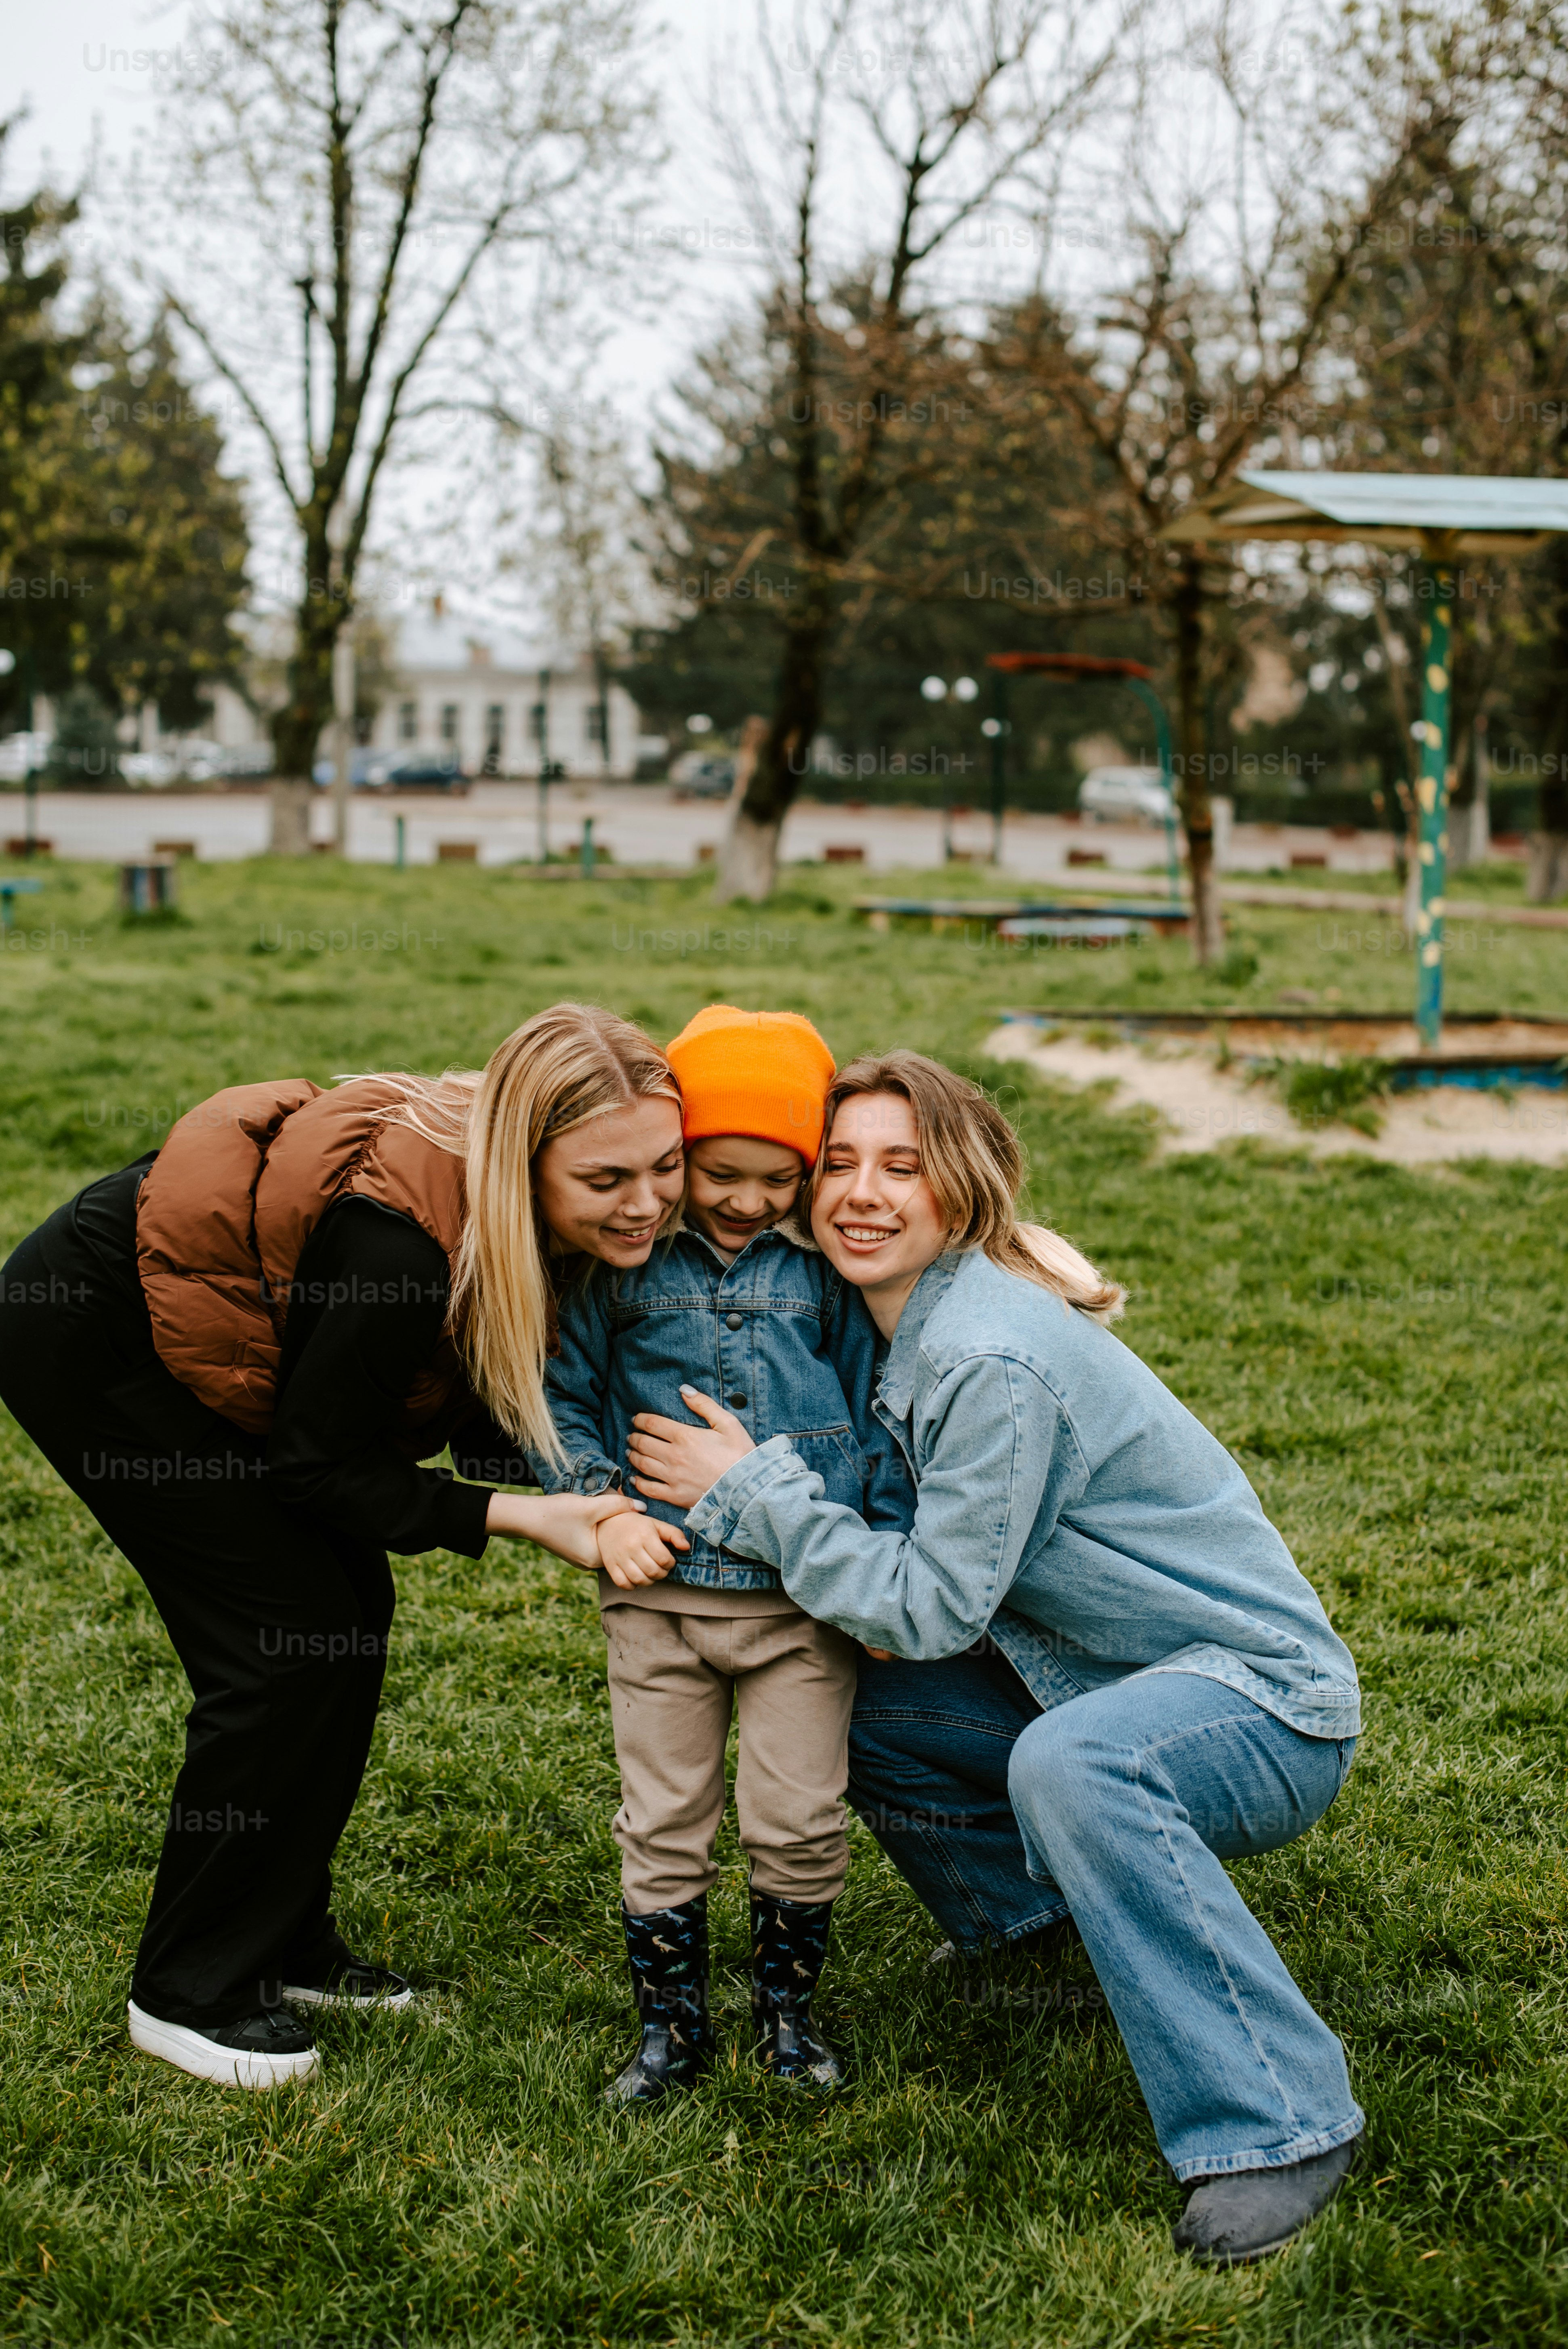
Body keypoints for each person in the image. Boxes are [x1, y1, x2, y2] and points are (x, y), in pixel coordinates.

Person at [624, 1049, 1366, 2268]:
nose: (862, 1194)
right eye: (840, 1165)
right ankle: (1036, 1928)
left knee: (1078, 1767)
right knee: (831, 1703)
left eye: (901, 1168)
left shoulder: (983, 1356)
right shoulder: (882, 1316)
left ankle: (1278, 2122)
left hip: (1258, 1708)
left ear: (958, 1191)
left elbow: (922, 1610)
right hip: (1085, 1671)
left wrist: (750, 1490)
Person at [0, 1003, 682, 2090]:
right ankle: (188, 1993)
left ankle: (280, 1941)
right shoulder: (399, 1251)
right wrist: (523, 1517)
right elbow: (319, 1469)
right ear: (519, 1162)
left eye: (664, 1167)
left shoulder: (520, 1219)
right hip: (96, 1336)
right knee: (287, 1641)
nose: (645, 1205)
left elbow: (479, 1409)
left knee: (342, 1616)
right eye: (605, 1183)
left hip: (236, 1332)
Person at [539, 1005, 910, 2103]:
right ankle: (671, 2029)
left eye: (777, 1180)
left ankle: (788, 2015)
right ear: (678, 1158)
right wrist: (600, 1504)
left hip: (803, 1606)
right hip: (658, 1601)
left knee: (796, 1818)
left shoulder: (827, 1280)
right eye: (720, 1173)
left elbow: (882, 1411)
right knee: (662, 1818)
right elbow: (558, 1399)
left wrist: (880, 1562)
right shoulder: (619, 1268)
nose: (748, 1201)